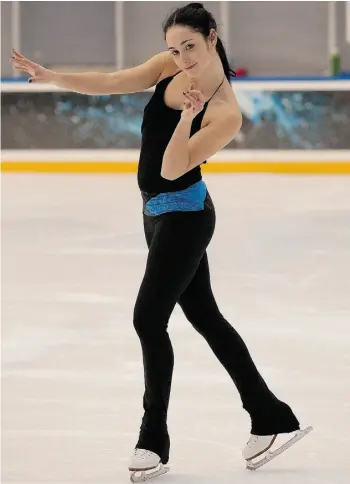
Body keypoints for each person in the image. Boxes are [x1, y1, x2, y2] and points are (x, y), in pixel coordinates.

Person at [10, 3, 310, 482]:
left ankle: (154, 438)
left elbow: (173, 170)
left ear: (212, 37)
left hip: (187, 218)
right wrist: (51, 76)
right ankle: (271, 415)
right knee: (206, 317)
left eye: (190, 46)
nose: (182, 57)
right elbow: (115, 81)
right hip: (155, 215)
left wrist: (188, 118)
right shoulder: (169, 67)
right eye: (174, 48)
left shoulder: (225, 112)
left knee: (148, 318)